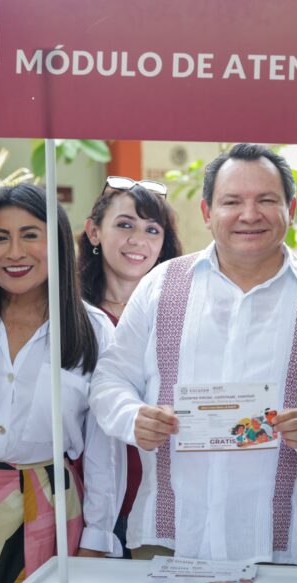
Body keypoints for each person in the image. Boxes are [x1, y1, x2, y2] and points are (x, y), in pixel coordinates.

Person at [89, 143, 297, 565]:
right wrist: (133, 417)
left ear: (290, 208)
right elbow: (110, 380)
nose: (249, 214)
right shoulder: (162, 286)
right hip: (167, 541)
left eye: (266, 200)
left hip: (280, 547)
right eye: (232, 201)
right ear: (207, 212)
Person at [0, 183, 125, 583]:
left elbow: (103, 448)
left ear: (56, 243)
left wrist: (97, 537)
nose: (14, 252)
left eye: (30, 235)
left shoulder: (93, 329)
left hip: (51, 512)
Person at [79, 176, 182, 558]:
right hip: (86, 502)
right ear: (94, 231)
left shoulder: (183, 313)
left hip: (160, 502)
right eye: (125, 225)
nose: (138, 240)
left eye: (152, 229)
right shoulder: (69, 316)